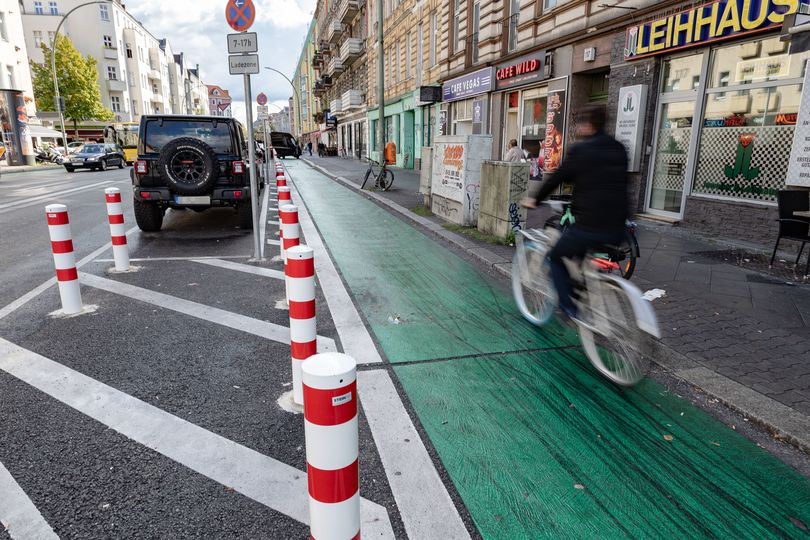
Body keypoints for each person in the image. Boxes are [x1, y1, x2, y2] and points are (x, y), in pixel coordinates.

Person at [520, 104, 629, 323]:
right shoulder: (618, 148)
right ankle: (583, 287)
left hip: (590, 225)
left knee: (556, 257)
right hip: (618, 227)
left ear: (587, 124)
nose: (578, 128)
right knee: (578, 255)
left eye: (579, 124)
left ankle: (569, 309)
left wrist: (535, 199)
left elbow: (557, 177)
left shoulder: (582, 150)